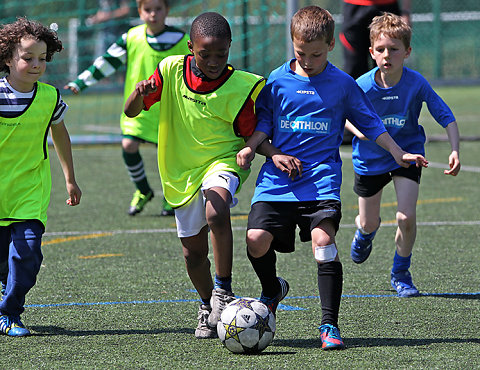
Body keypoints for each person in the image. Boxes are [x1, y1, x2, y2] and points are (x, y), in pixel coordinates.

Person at [236, 6, 427, 350]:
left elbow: (370, 123)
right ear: (291, 44)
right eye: (301, 53)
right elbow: (263, 126)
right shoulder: (276, 81)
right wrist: (257, 149)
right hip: (277, 182)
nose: (308, 61)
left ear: (330, 46)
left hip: (321, 179)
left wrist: (399, 153)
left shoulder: (342, 84)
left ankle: (329, 325)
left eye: (316, 54)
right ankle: (272, 288)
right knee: (255, 239)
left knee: (324, 243)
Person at [124, 12, 265, 339]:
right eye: (205, 54)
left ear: (230, 48)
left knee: (216, 209)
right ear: (191, 47)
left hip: (222, 161)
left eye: (221, 54)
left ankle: (223, 291)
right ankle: (206, 304)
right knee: (192, 253)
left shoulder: (240, 86)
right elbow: (131, 111)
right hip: (181, 169)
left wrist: (264, 152)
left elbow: (250, 135)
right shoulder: (170, 70)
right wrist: (139, 92)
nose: (214, 61)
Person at [346, 12, 460, 298]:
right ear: (371, 52)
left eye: (394, 49)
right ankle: (365, 232)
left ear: (407, 52)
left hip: (408, 155)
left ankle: (401, 273)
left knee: (406, 217)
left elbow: (445, 115)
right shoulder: (361, 85)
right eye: (381, 49)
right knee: (370, 221)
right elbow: (342, 114)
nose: (387, 55)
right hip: (370, 159)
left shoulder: (416, 83)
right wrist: (357, 131)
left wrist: (455, 149)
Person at [66, 0, 190, 216]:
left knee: (169, 156)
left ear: (167, 11)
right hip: (137, 107)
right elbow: (107, 62)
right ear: (140, 12)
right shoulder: (131, 37)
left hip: (170, 109)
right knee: (128, 144)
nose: (153, 14)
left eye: (158, 9)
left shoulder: (182, 40)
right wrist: (82, 82)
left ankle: (171, 197)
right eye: (148, 10)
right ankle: (143, 190)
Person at [0, 17, 82, 336]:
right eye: (27, 58)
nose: (36, 65)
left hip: (29, 194)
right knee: (6, 264)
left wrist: (70, 179)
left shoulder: (49, 98)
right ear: (8, 58)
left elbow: (61, 136)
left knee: (28, 256)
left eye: (42, 59)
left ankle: (9, 313)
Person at [340, 0, 411, 80]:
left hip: (388, 6)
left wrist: (405, 11)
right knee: (353, 69)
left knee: (388, 72)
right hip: (354, 7)